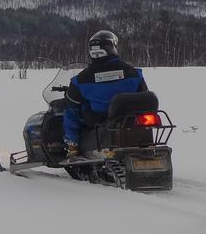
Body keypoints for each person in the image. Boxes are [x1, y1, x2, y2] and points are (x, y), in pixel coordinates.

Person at [62, 30, 148, 160]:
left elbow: (71, 102)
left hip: (98, 118)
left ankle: (72, 146)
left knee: (70, 111)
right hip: (130, 118)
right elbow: (144, 94)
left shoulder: (81, 79)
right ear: (113, 48)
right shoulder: (133, 73)